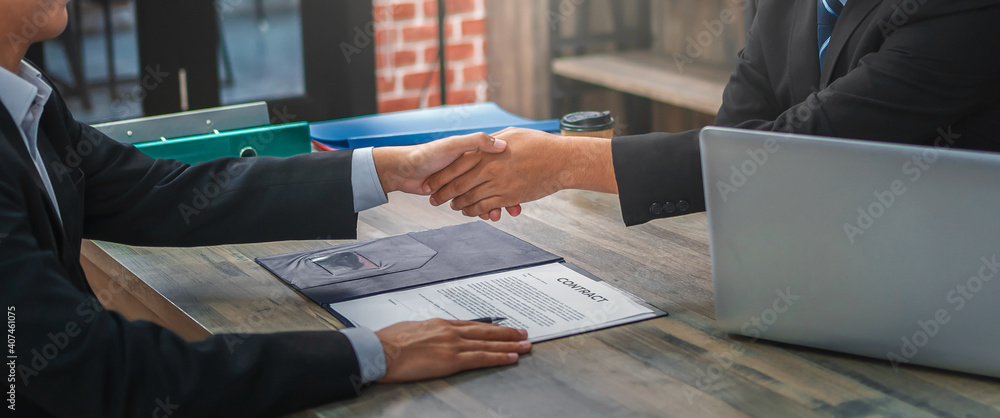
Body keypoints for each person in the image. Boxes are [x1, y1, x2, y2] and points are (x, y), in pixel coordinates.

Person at [0, 1, 531, 416]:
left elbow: (163, 192)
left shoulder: (28, 102)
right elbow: (99, 371)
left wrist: (391, 169)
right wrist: (373, 354)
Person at [425, 0, 1000, 227]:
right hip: (817, 270)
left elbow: (807, 144)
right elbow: (738, 141)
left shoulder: (960, 8)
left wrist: (567, 162)